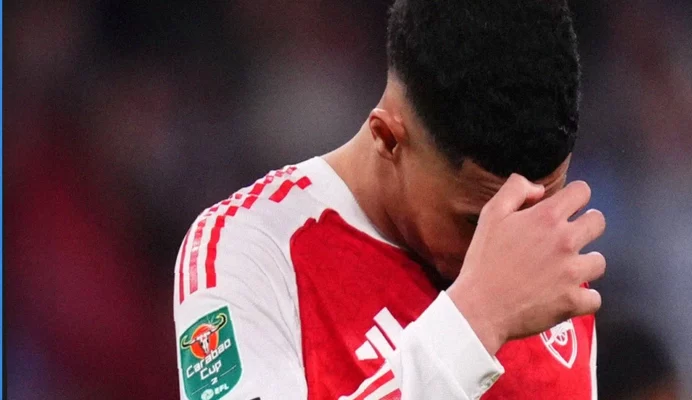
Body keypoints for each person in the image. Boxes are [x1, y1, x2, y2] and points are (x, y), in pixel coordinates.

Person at [173, 0, 607, 398]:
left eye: (543, 207)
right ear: (388, 138)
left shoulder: (551, 263)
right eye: (476, 221)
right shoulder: (246, 250)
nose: (519, 246)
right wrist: (474, 322)